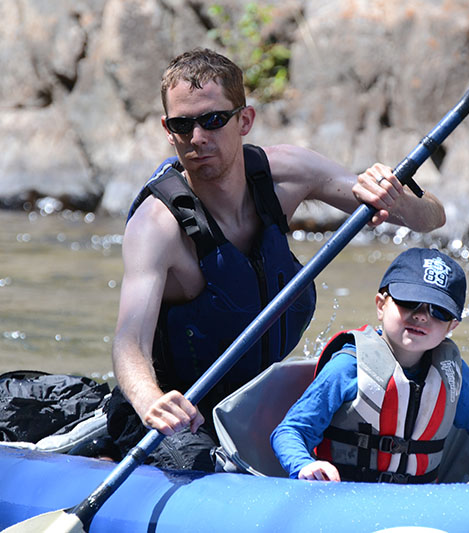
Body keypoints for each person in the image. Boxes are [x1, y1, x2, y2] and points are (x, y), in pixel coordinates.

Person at [105, 48, 446, 471]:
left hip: (256, 405)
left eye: (213, 120)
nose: (197, 137)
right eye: (182, 125)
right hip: (179, 416)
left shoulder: (288, 174)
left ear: (244, 121)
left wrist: (390, 191)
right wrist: (151, 401)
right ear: (167, 129)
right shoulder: (157, 227)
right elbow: (128, 343)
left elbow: (431, 216)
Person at [271, 247, 469, 482]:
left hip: (420, 504)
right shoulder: (347, 368)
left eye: (438, 310)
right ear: (381, 304)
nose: (422, 315)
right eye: (409, 302)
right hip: (347, 499)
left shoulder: (451, 375)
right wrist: (304, 466)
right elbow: (291, 431)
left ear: (451, 326)